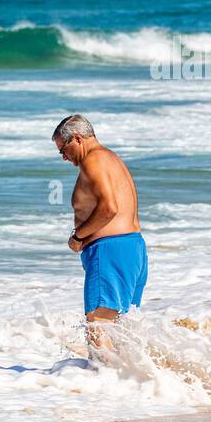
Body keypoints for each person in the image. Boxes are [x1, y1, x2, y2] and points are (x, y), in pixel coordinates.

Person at [52, 114, 147, 356]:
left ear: (76, 139)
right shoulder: (111, 158)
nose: (63, 157)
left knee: (98, 328)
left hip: (109, 251)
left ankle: (103, 386)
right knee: (119, 332)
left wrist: (79, 237)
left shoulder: (93, 160)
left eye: (62, 149)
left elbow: (109, 208)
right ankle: (126, 384)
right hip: (130, 249)